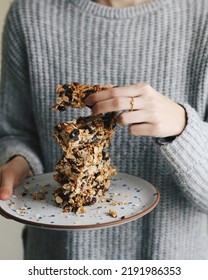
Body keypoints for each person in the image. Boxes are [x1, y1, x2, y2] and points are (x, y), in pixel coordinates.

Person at [0, 0, 208, 260]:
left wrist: (182, 126)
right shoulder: (31, 12)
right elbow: (14, 131)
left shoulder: (202, 17)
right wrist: (19, 160)